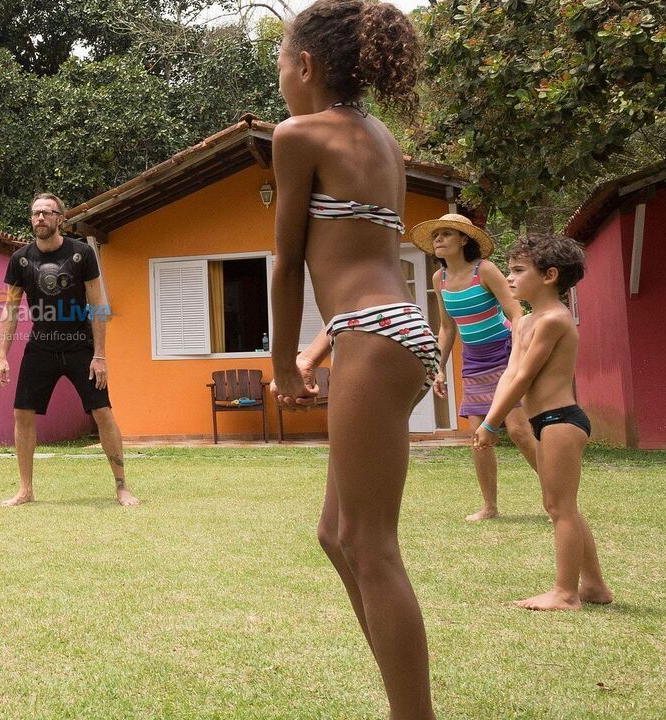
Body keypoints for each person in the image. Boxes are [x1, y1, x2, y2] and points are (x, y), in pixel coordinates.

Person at [267, 1, 436, 716]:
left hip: (371, 333)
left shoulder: (297, 134)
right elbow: (363, 257)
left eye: (280, 62)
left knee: (371, 544)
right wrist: (319, 345)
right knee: (337, 536)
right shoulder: (381, 137)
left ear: (305, 65)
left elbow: (287, 263)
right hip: (393, 328)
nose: (279, 78)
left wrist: (280, 364)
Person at [473, 237, 612, 611]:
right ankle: (595, 586)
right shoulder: (525, 322)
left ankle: (566, 594)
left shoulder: (554, 320)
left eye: (519, 270)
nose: (509, 277)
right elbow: (509, 374)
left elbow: (524, 379)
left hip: (561, 420)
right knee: (559, 505)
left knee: (560, 508)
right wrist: (491, 418)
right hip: (544, 422)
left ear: (550, 275)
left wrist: (491, 423)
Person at [0, 192, 138, 507]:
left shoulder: (82, 253)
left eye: (47, 212)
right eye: (35, 213)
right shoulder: (20, 259)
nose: (40, 218)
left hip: (80, 346)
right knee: (22, 413)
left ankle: (122, 486)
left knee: (102, 411)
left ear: (61, 219)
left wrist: (100, 355)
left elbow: (98, 305)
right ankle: (25, 490)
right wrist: (2, 356)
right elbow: (10, 309)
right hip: (40, 346)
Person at [413, 214, 540, 521]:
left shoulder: (484, 270)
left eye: (446, 234)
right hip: (474, 359)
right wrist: (438, 367)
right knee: (479, 437)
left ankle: (557, 498)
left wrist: (517, 358)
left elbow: (516, 312)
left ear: (464, 240)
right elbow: (446, 327)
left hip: (504, 351)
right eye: (436, 235)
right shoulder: (438, 279)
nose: (439, 240)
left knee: (519, 431)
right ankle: (490, 508)